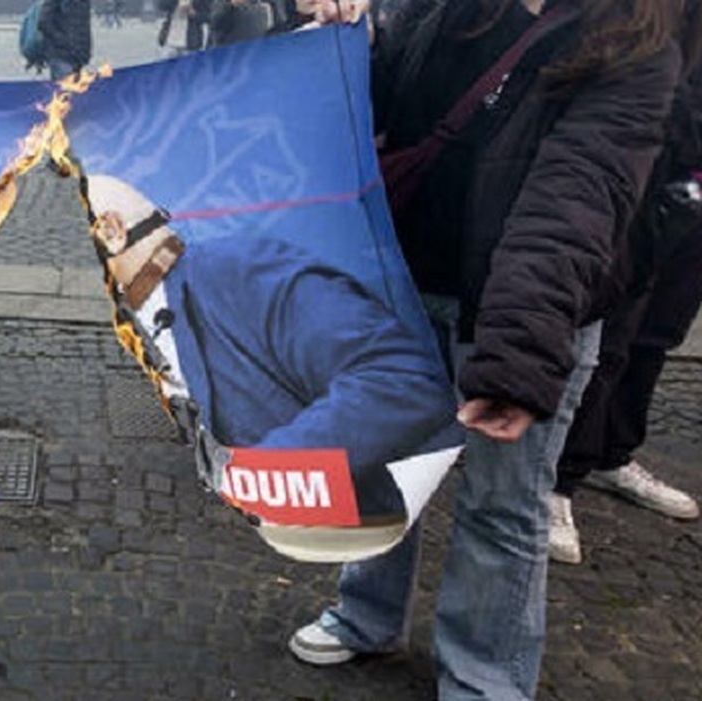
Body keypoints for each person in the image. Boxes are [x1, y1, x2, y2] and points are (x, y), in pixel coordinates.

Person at [288, 1, 680, 699]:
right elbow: (374, 102)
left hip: (531, 313)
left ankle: (484, 677)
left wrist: (518, 355)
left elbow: (576, 201)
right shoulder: (442, 7)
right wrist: (342, 35)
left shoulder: (634, 42)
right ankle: (368, 617)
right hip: (409, 285)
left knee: (502, 507)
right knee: (382, 467)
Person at [82, 174, 461, 561]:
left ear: (111, 231)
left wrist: (267, 474)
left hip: (333, 528)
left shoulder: (241, 271)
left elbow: (404, 378)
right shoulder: (151, 310)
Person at [549, 12, 702, 563]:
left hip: (690, 201)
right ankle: (557, 482)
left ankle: (611, 454)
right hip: (640, 177)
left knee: (656, 337)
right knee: (609, 336)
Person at [39, 0, 92, 80]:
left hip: (78, 56)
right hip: (60, 54)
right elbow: (43, 22)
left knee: (74, 89)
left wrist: (85, 51)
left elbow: (84, 27)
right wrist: (62, 40)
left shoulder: (84, 2)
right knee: (66, 89)